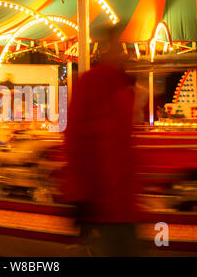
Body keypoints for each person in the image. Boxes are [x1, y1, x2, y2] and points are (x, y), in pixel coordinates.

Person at [64, 31, 140, 256]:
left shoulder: (123, 87)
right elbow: (77, 141)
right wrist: (80, 194)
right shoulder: (97, 83)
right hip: (102, 200)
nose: (122, 53)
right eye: (117, 47)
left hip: (122, 201)